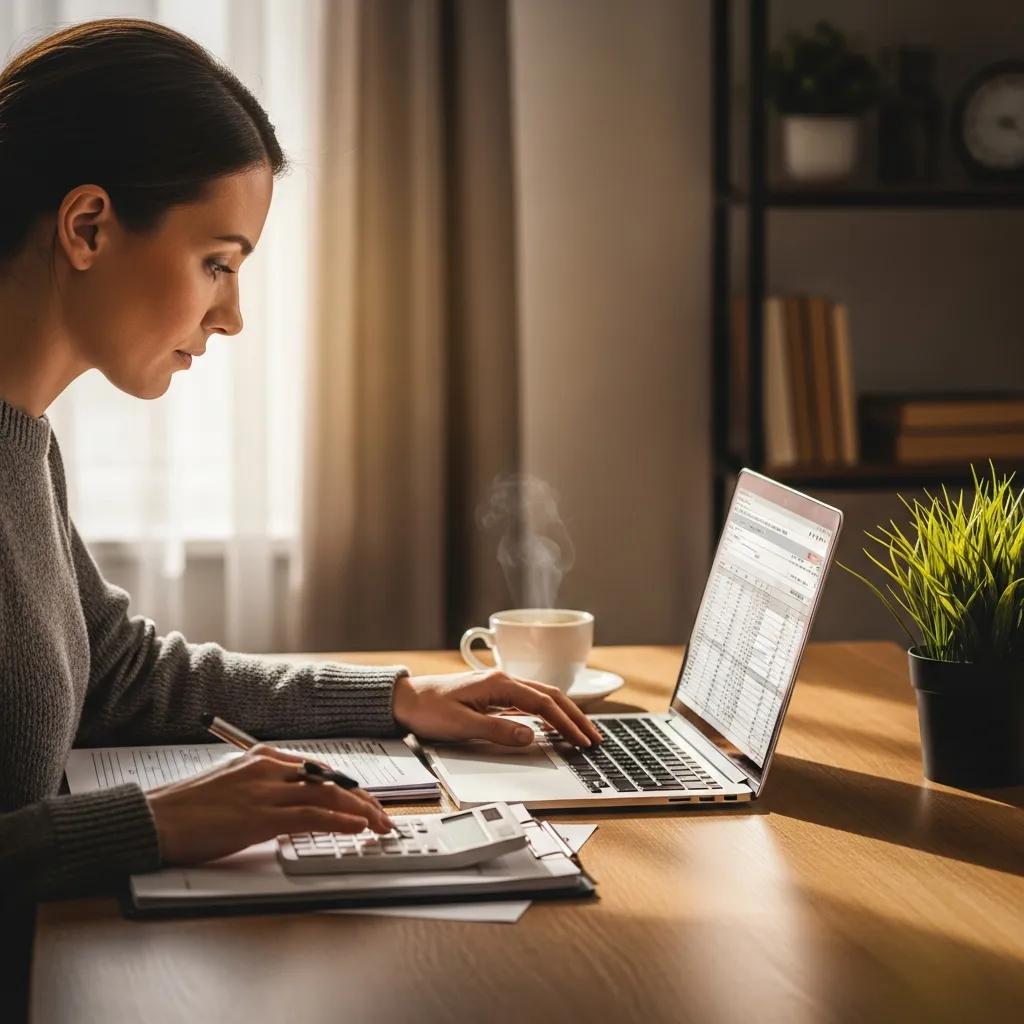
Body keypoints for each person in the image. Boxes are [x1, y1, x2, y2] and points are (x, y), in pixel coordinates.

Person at [0, 17, 602, 1009]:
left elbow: (122, 672)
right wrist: (153, 824)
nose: (231, 315)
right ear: (88, 226)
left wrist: (396, 697)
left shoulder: (24, 444)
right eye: (219, 262)